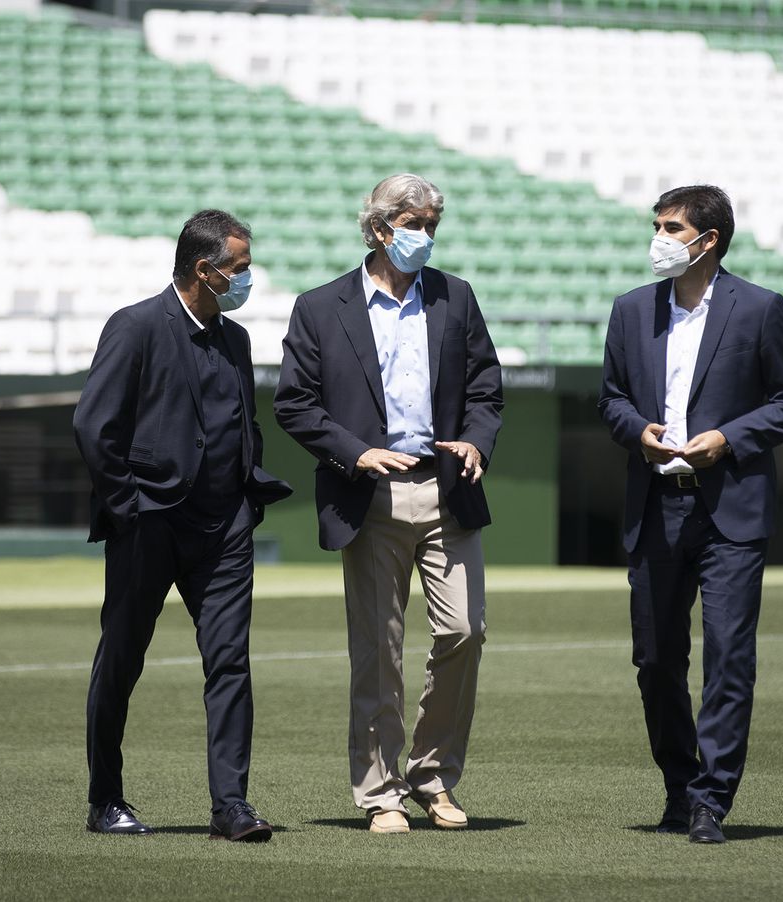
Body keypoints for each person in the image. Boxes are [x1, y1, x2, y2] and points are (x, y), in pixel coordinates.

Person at [274, 174, 503, 834]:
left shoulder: (455, 298)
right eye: (413, 223)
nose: (424, 236)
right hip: (367, 494)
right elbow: (296, 402)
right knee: (378, 648)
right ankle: (381, 794)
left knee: (465, 630)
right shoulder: (320, 308)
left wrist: (478, 444)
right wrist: (356, 452)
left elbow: (487, 390)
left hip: (448, 488)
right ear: (378, 229)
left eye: (432, 224)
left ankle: (434, 777)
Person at [598, 185, 783, 844]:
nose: (659, 237)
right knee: (656, 659)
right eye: (657, 225)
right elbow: (609, 398)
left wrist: (729, 439)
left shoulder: (760, 309)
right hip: (657, 503)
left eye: (671, 227)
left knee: (728, 657)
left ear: (707, 239)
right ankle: (678, 782)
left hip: (731, 510)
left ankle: (711, 801)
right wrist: (638, 429)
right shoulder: (631, 310)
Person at [73, 209, 292, 841]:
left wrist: (245, 493)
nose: (248, 280)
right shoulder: (136, 325)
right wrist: (129, 507)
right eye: (240, 268)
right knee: (122, 658)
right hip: (149, 524)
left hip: (223, 529)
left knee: (230, 663)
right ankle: (105, 799)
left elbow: (240, 424)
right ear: (205, 269)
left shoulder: (237, 340)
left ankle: (231, 806)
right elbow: (94, 426)